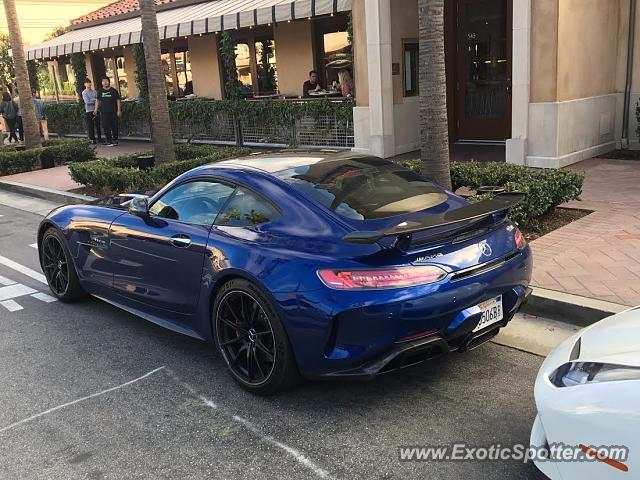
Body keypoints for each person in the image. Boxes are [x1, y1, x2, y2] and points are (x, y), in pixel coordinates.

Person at [94, 77, 121, 147]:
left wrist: (119, 110)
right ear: (102, 83)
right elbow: (97, 101)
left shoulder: (114, 91)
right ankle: (109, 141)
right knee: (105, 126)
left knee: (114, 126)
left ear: (109, 82)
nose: (105, 82)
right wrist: (95, 110)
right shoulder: (99, 91)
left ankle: (115, 140)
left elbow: (118, 100)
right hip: (103, 112)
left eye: (106, 81)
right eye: (103, 81)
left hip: (113, 112)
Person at [81, 79, 102, 144]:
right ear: (85, 84)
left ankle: (99, 138)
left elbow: (98, 100)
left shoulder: (94, 91)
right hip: (89, 111)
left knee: (98, 125)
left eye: (90, 82)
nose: (89, 84)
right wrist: (95, 100)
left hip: (96, 110)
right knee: (90, 126)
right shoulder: (84, 92)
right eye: (87, 83)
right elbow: (87, 102)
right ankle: (92, 139)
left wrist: (95, 101)